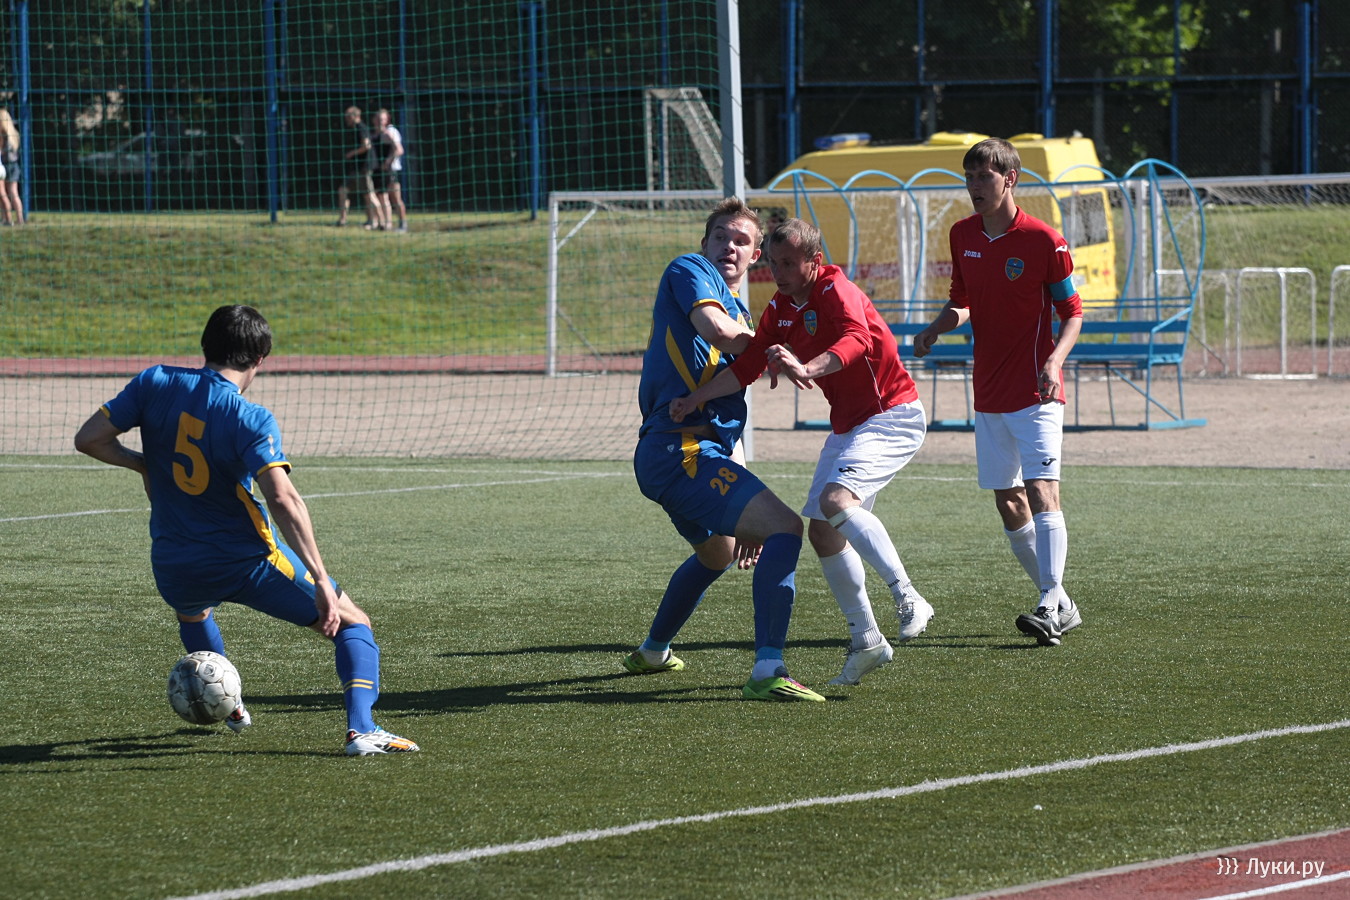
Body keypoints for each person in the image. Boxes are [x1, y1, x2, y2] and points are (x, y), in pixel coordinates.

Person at [73, 305, 419, 755]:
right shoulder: (249, 417)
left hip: (172, 560)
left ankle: (229, 703)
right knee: (354, 623)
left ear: (205, 346)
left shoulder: (154, 380)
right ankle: (363, 730)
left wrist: (144, 464)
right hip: (246, 561)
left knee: (194, 614)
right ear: (260, 359)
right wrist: (320, 578)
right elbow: (283, 499)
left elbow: (89, 439)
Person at [670, 218, 932, 686]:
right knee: (824, 533)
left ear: (815, 261)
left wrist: (806, 367)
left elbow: (857, 340)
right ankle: (867, 640)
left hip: (891, 414)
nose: (779, 272)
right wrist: (697, 398)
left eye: (789, 263)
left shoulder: (835, 289)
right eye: (773, 263)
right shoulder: (780, 308)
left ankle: (907, 595)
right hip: (849, 427)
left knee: (835, 503)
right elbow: (748, 366)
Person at [627, 197, 824, 702]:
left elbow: (730, 396)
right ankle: (768, 670)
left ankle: (653, 651)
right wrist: (771, 348)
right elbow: (717, 332)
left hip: (693, 452)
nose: (729, 247)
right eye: (721, 236)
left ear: (757, 256)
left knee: (719, 553)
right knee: (786, 527)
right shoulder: (690, 270)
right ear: (705, 243)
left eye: (741, 241)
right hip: (679, 450)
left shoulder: (744, 312)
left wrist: (742, 494)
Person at [912, 137, 1084, 647]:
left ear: (1009, 179)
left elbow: (1073, 312)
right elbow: (962, 301)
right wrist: (936, 327)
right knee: (1009, 504)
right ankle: (1062, 602)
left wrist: (1054, 361)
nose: (974, 186)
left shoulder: (1044, 240)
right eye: (968, 177)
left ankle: (1048, 603)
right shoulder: (962, 234)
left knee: (1042, 490)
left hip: (1037, 390)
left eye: (983, 176)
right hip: (988, 391)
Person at [334, 106, 377, 229]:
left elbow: (366, 146)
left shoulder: (361, 127)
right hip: (355, 168)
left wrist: (351, 153)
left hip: (364, 167)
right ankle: (342, 220)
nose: (346, 119)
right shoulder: (353, 129)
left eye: (348, 116)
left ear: (356, 116)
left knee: (369, 195)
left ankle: (376, 221)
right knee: (343, 190)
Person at [372, 109, 407, 232]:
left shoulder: (391, 132)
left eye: (382, 119)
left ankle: (402, 224)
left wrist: (388, 162)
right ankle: (383, 223)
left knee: (395, 198)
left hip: (391, 170)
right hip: (380, 171)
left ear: (387, 120)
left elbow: (399, 150)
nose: (379, 121)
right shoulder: (377, 134)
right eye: (377, 119)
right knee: (381, 196)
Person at [0, 109, 22, 227]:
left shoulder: (2, 134)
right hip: (14, 165)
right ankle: (20, 219)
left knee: (2, 194)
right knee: (14, 193)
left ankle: (7, 219)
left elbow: (2, 152)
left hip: (4, 165)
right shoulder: (14, 134)